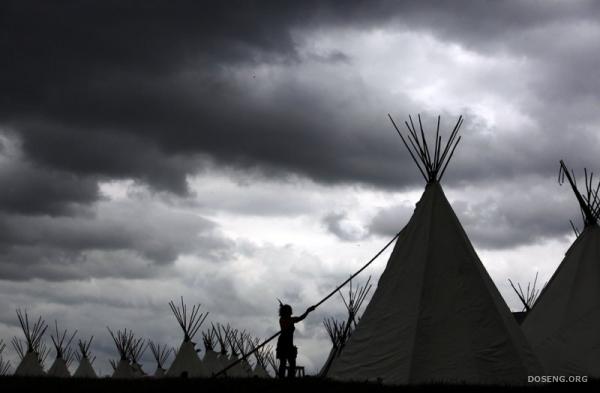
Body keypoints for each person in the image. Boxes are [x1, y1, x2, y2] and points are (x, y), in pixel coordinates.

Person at [276, 302, 316, 378]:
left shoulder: (290, 319)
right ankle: (281, 380)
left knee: (292, 363)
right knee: (283, 363)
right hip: (283, 343)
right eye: (289, 311)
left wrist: (308, 311)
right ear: (287, 312)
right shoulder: (283, 320)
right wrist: (307, 311)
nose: (291, 312)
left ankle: (290, 379)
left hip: (289, 344)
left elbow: (300, 318)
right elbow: (298, 318)